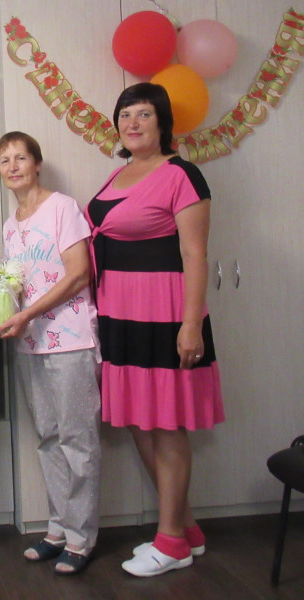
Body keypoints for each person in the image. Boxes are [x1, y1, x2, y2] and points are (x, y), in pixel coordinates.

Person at [86, 82, 224, 577]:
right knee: (139, 421)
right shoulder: (118, 173)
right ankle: (185, 529)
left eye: (144, 114)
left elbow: (195, 254)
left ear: (163, 122)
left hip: (164, 313)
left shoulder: (182, 174)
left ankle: (171, 543)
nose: (133, 123)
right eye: (125, 114)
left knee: (166, 424)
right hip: (121, 314)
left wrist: (191, 325)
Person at [0, 131, 101, 575]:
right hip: (30, 342)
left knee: (78, 439)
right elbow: (17, 283)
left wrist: (27, 313)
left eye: (21, 158)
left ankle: (82, 538)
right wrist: (4, 311)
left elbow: (79, 274)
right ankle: (58, 529)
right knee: (49, 438)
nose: (13, 166)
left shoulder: (62, 207)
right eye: (5, 160)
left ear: (37, 163)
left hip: (70, 339)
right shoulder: (10, 223)